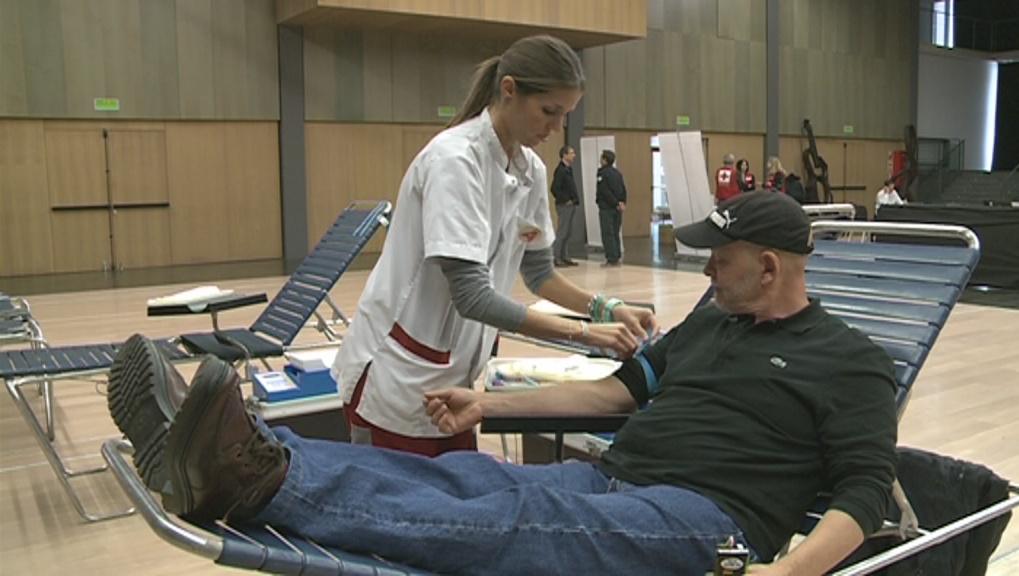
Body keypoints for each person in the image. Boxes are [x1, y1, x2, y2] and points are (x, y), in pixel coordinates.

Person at [109, 192, 898, 576]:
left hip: (710, 520)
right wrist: (487, 404)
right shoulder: (710, 324)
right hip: (618, 480)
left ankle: (244, 482)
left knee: (518, 512)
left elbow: (865, 488)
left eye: (719, 263)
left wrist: (792, 571)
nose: (707, 273)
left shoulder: (850, 359)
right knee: (463, 474)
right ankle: (250, 451)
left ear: (767, 267)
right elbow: (616, 394)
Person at [330, 35, 658, 456]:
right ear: (509, 90)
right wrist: (586, 333)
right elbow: (472, 296)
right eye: (549, 111)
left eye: (565, 115)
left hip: (454, 381)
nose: (556, 127)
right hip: (398, 378)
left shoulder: (532, 171)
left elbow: (539, 274)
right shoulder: (454, 161)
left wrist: (606, 307)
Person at [596, 149, 627, 267]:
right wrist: (622, 202)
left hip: (607, 207)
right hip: (618, 208)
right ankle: (617, 255)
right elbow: (623, 189)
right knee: (615, 232)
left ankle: (611, 258)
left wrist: (614, 203)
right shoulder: (617, 173)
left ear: (604, 160)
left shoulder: (602, 173)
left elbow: (604, 191)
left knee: (607, 233)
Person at [550, 145, 580, 267]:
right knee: (562, 231)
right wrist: (565, 199)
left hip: (571, 204)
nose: (574, 155)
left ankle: (564, 255)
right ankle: (555, 256)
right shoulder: (561, 170)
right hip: (564, 205)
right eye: (571, 153)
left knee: (568, 232)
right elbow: (554, 188)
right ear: (564, 155)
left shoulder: (568, 169)